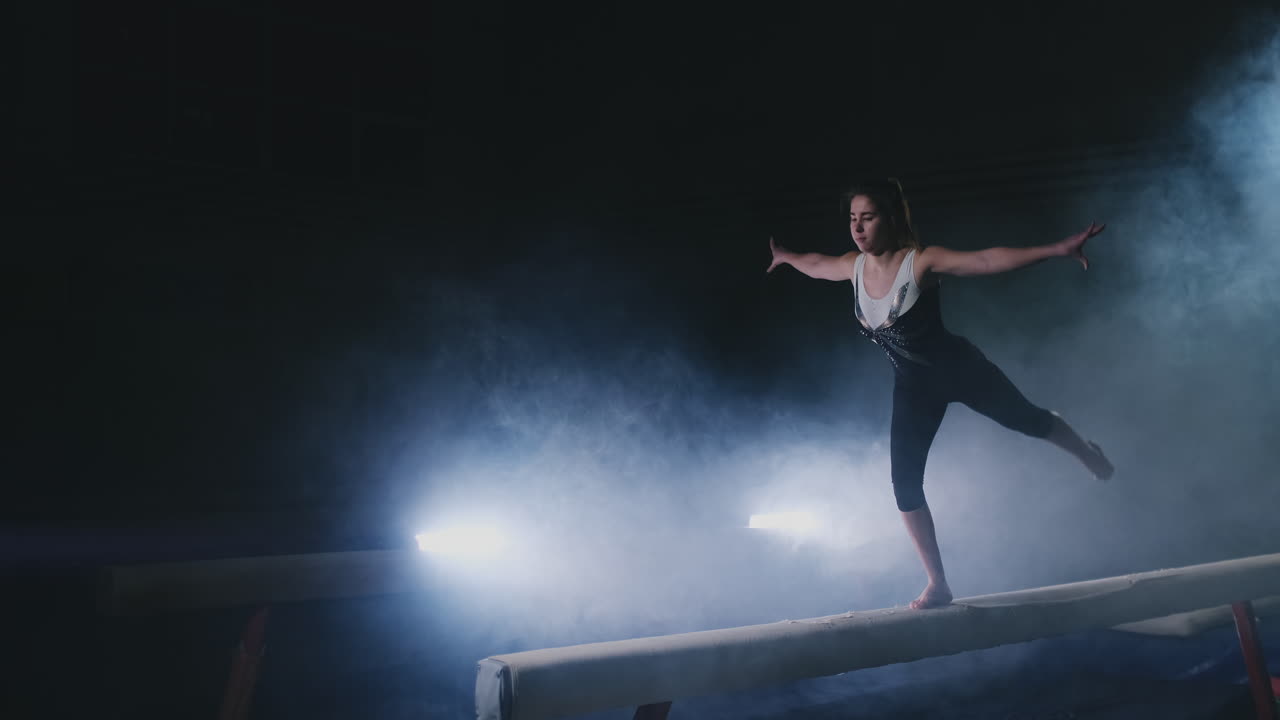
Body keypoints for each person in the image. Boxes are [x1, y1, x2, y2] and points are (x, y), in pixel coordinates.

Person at [766, 179, 1113, 610]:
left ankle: (1086, 452)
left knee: (1031, 421)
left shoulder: (921, 263)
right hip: (913, 388)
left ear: (890, 219)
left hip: (963, 371)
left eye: (867, 218)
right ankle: (938, 583)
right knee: (904, 485)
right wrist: (785, 257)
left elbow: (987, 260)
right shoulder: (853, 267)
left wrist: (1056, 249)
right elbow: (816, 263)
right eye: (852, 219)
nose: (857, 227)